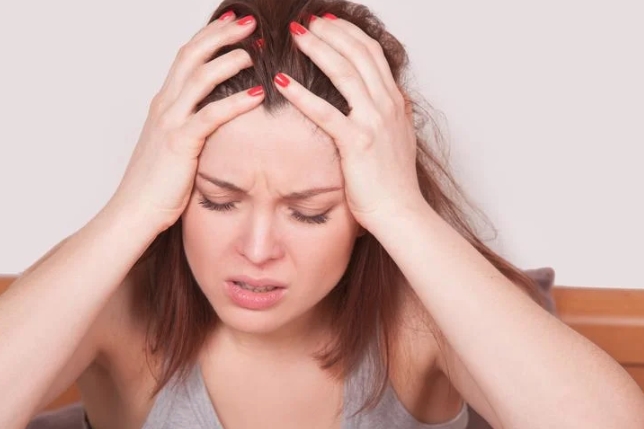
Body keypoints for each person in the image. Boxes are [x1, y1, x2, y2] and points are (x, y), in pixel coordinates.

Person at [2, 0, 643, 428]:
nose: (257, 249)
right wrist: (133, 207)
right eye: (218, 200)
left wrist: (401, 209)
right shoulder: (118, 307)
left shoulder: (422, 316)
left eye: (309, 213)